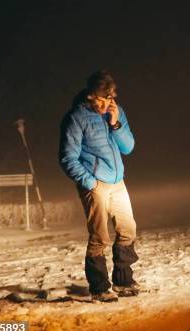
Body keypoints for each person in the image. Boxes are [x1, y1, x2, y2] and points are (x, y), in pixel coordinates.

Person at [59, 70, 140, 302]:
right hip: (95, 184)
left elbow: (128, 148)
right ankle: (99, 287)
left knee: (128, 229)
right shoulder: (76, 118)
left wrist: (115, 125)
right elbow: (67, 158)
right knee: (99, 236)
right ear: (90, 96)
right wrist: (90, 182)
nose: (108, 103)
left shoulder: (115, 112)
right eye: (103, 99)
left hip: (118, 181)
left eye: (111, 98)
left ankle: (123, 281)